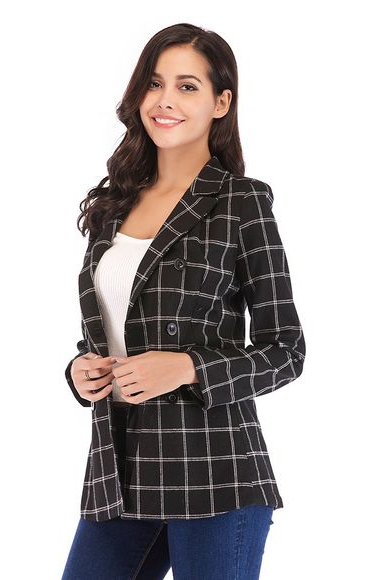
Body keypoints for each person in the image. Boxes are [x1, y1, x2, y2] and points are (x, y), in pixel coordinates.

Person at [61, 22, 306, 580]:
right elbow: (116, 326)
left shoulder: (241, 203)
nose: (165, 100)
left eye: (187, 86)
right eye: (154, 83)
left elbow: (287, 351)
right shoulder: (111, 207)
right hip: (118, 471)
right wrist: (80, 370)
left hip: (216, 471)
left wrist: (189, 367)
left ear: (221, 103)